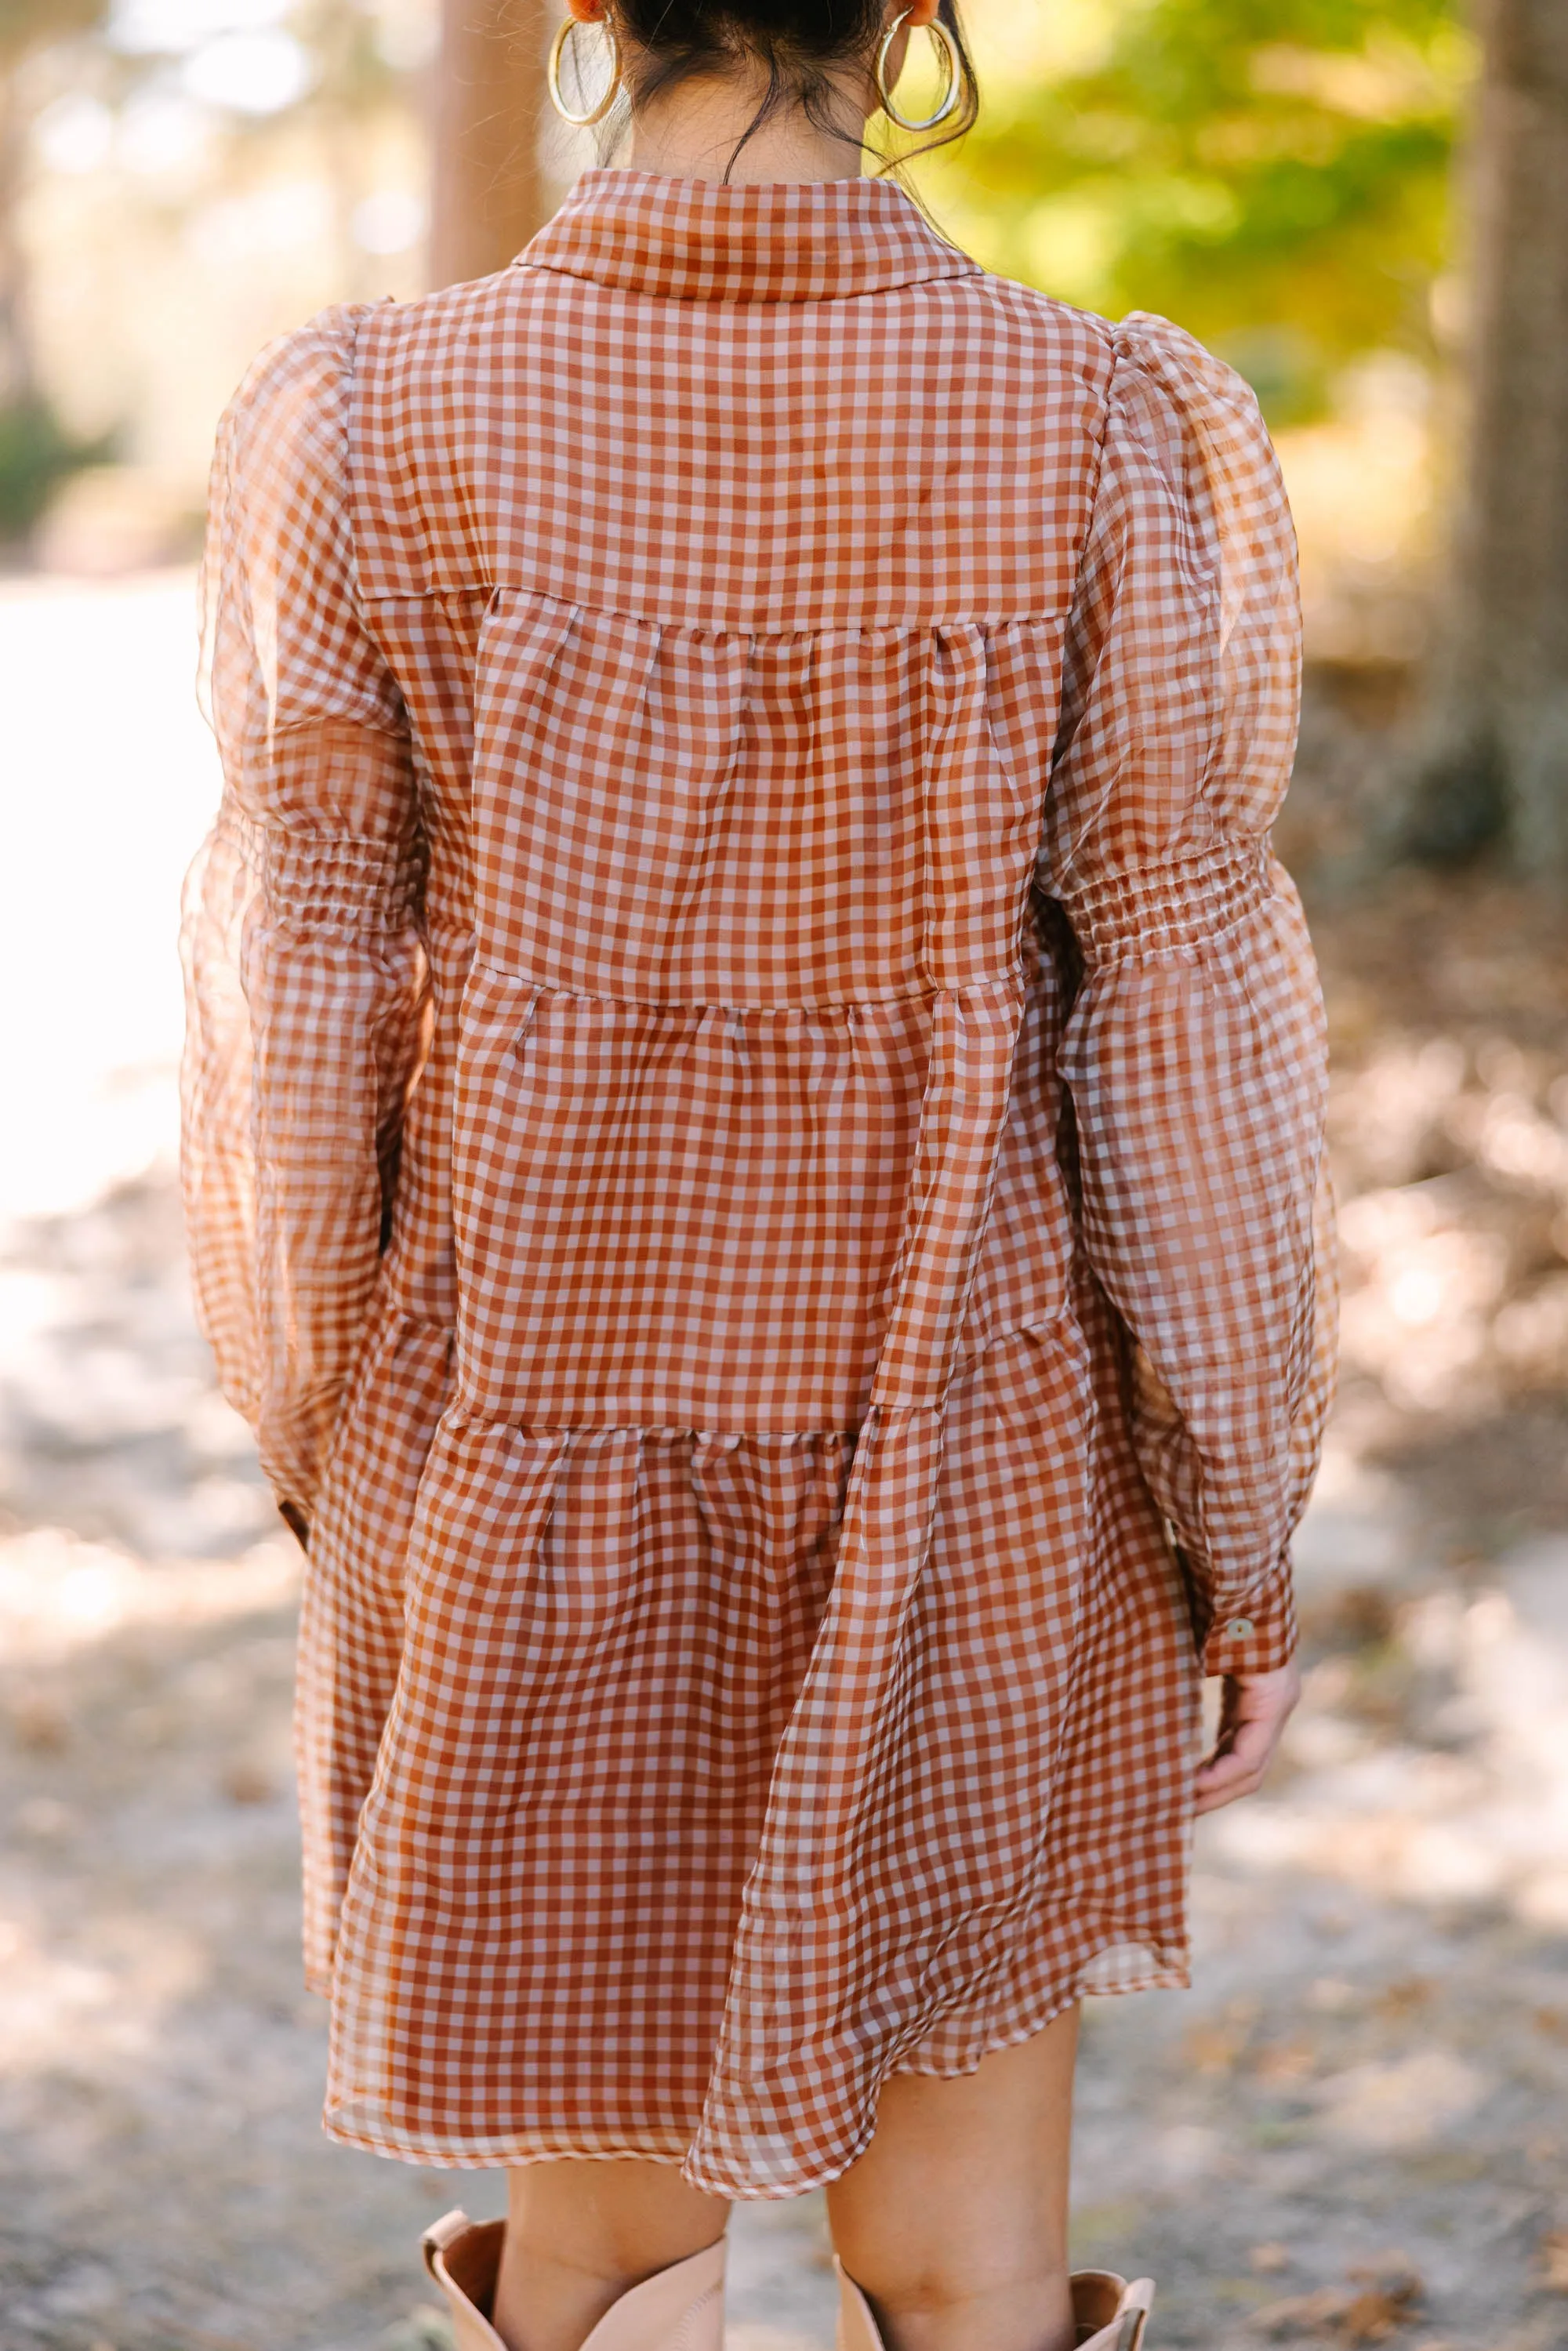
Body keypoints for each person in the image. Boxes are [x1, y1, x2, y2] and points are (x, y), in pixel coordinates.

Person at [181, 2, 1335, 2348]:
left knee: (610, 2244)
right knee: (969, 2253)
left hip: (535, 1452)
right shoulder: (1102, 420)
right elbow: (1188, 1007)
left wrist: (318, 1414)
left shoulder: (371, 416)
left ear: (588, 8)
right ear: (913, 12)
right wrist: (1240, 1500)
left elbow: (287, 1005)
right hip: (984, 1461)